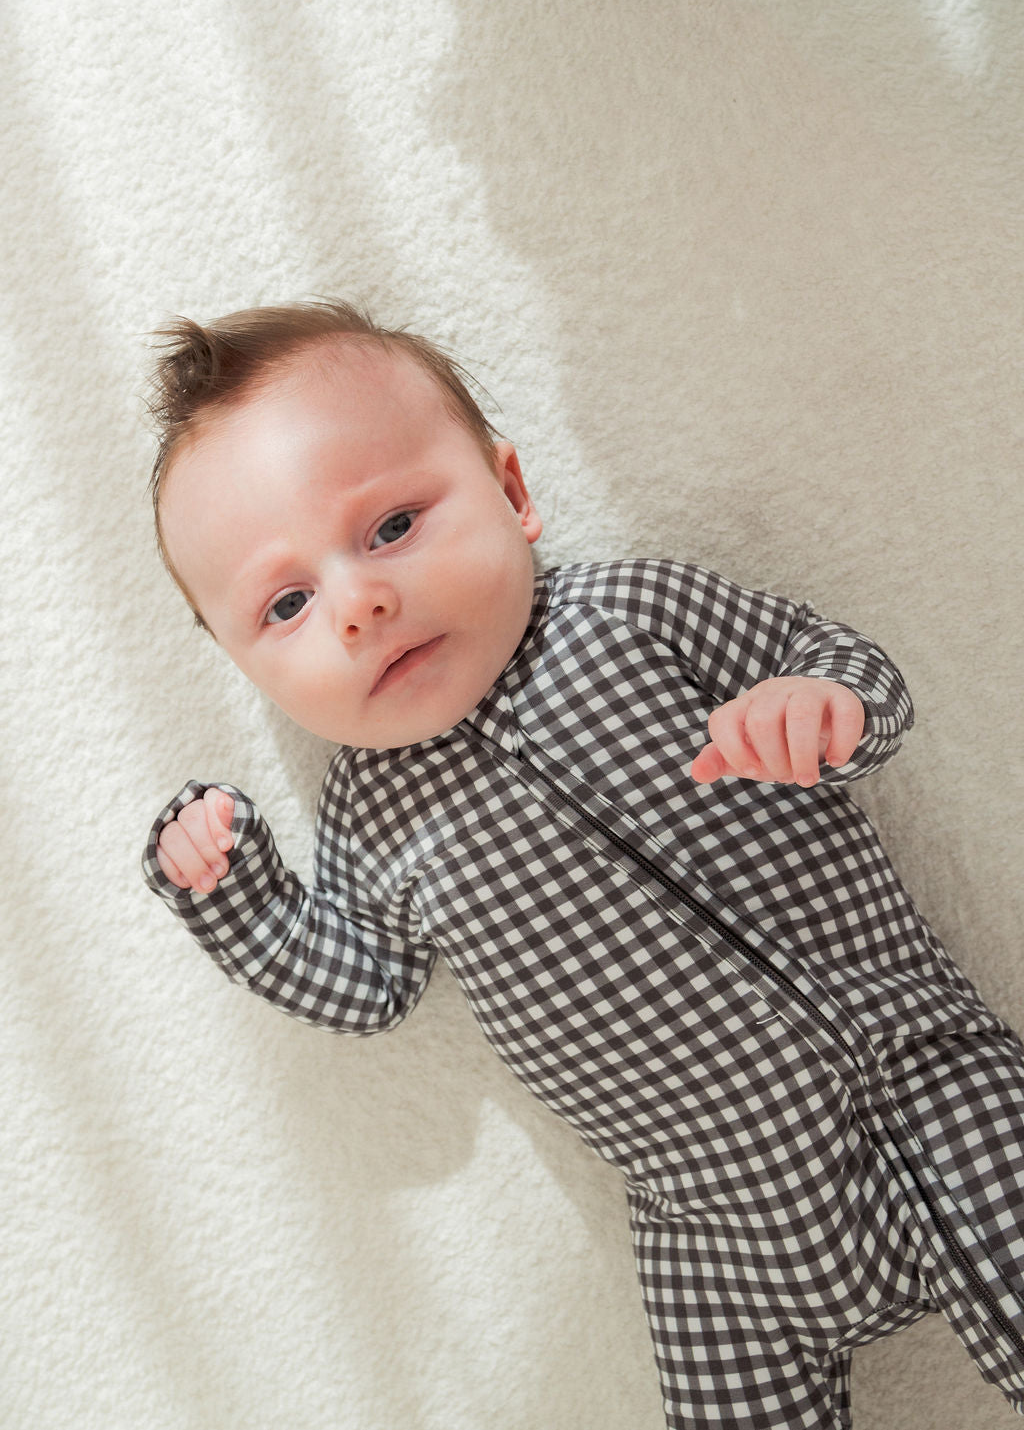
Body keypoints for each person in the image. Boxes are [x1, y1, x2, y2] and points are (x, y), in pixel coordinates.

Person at [142, 300, 1024, 1430]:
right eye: (287, 602)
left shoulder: (628, 617)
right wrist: (233, 894)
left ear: (511, 494)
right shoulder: (369, 818)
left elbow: (836, 658)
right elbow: (361, 984)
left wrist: (824, 704)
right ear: (246, 666)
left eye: (393, 526)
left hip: (918, 1084)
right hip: (714, 1232)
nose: (358, 604)